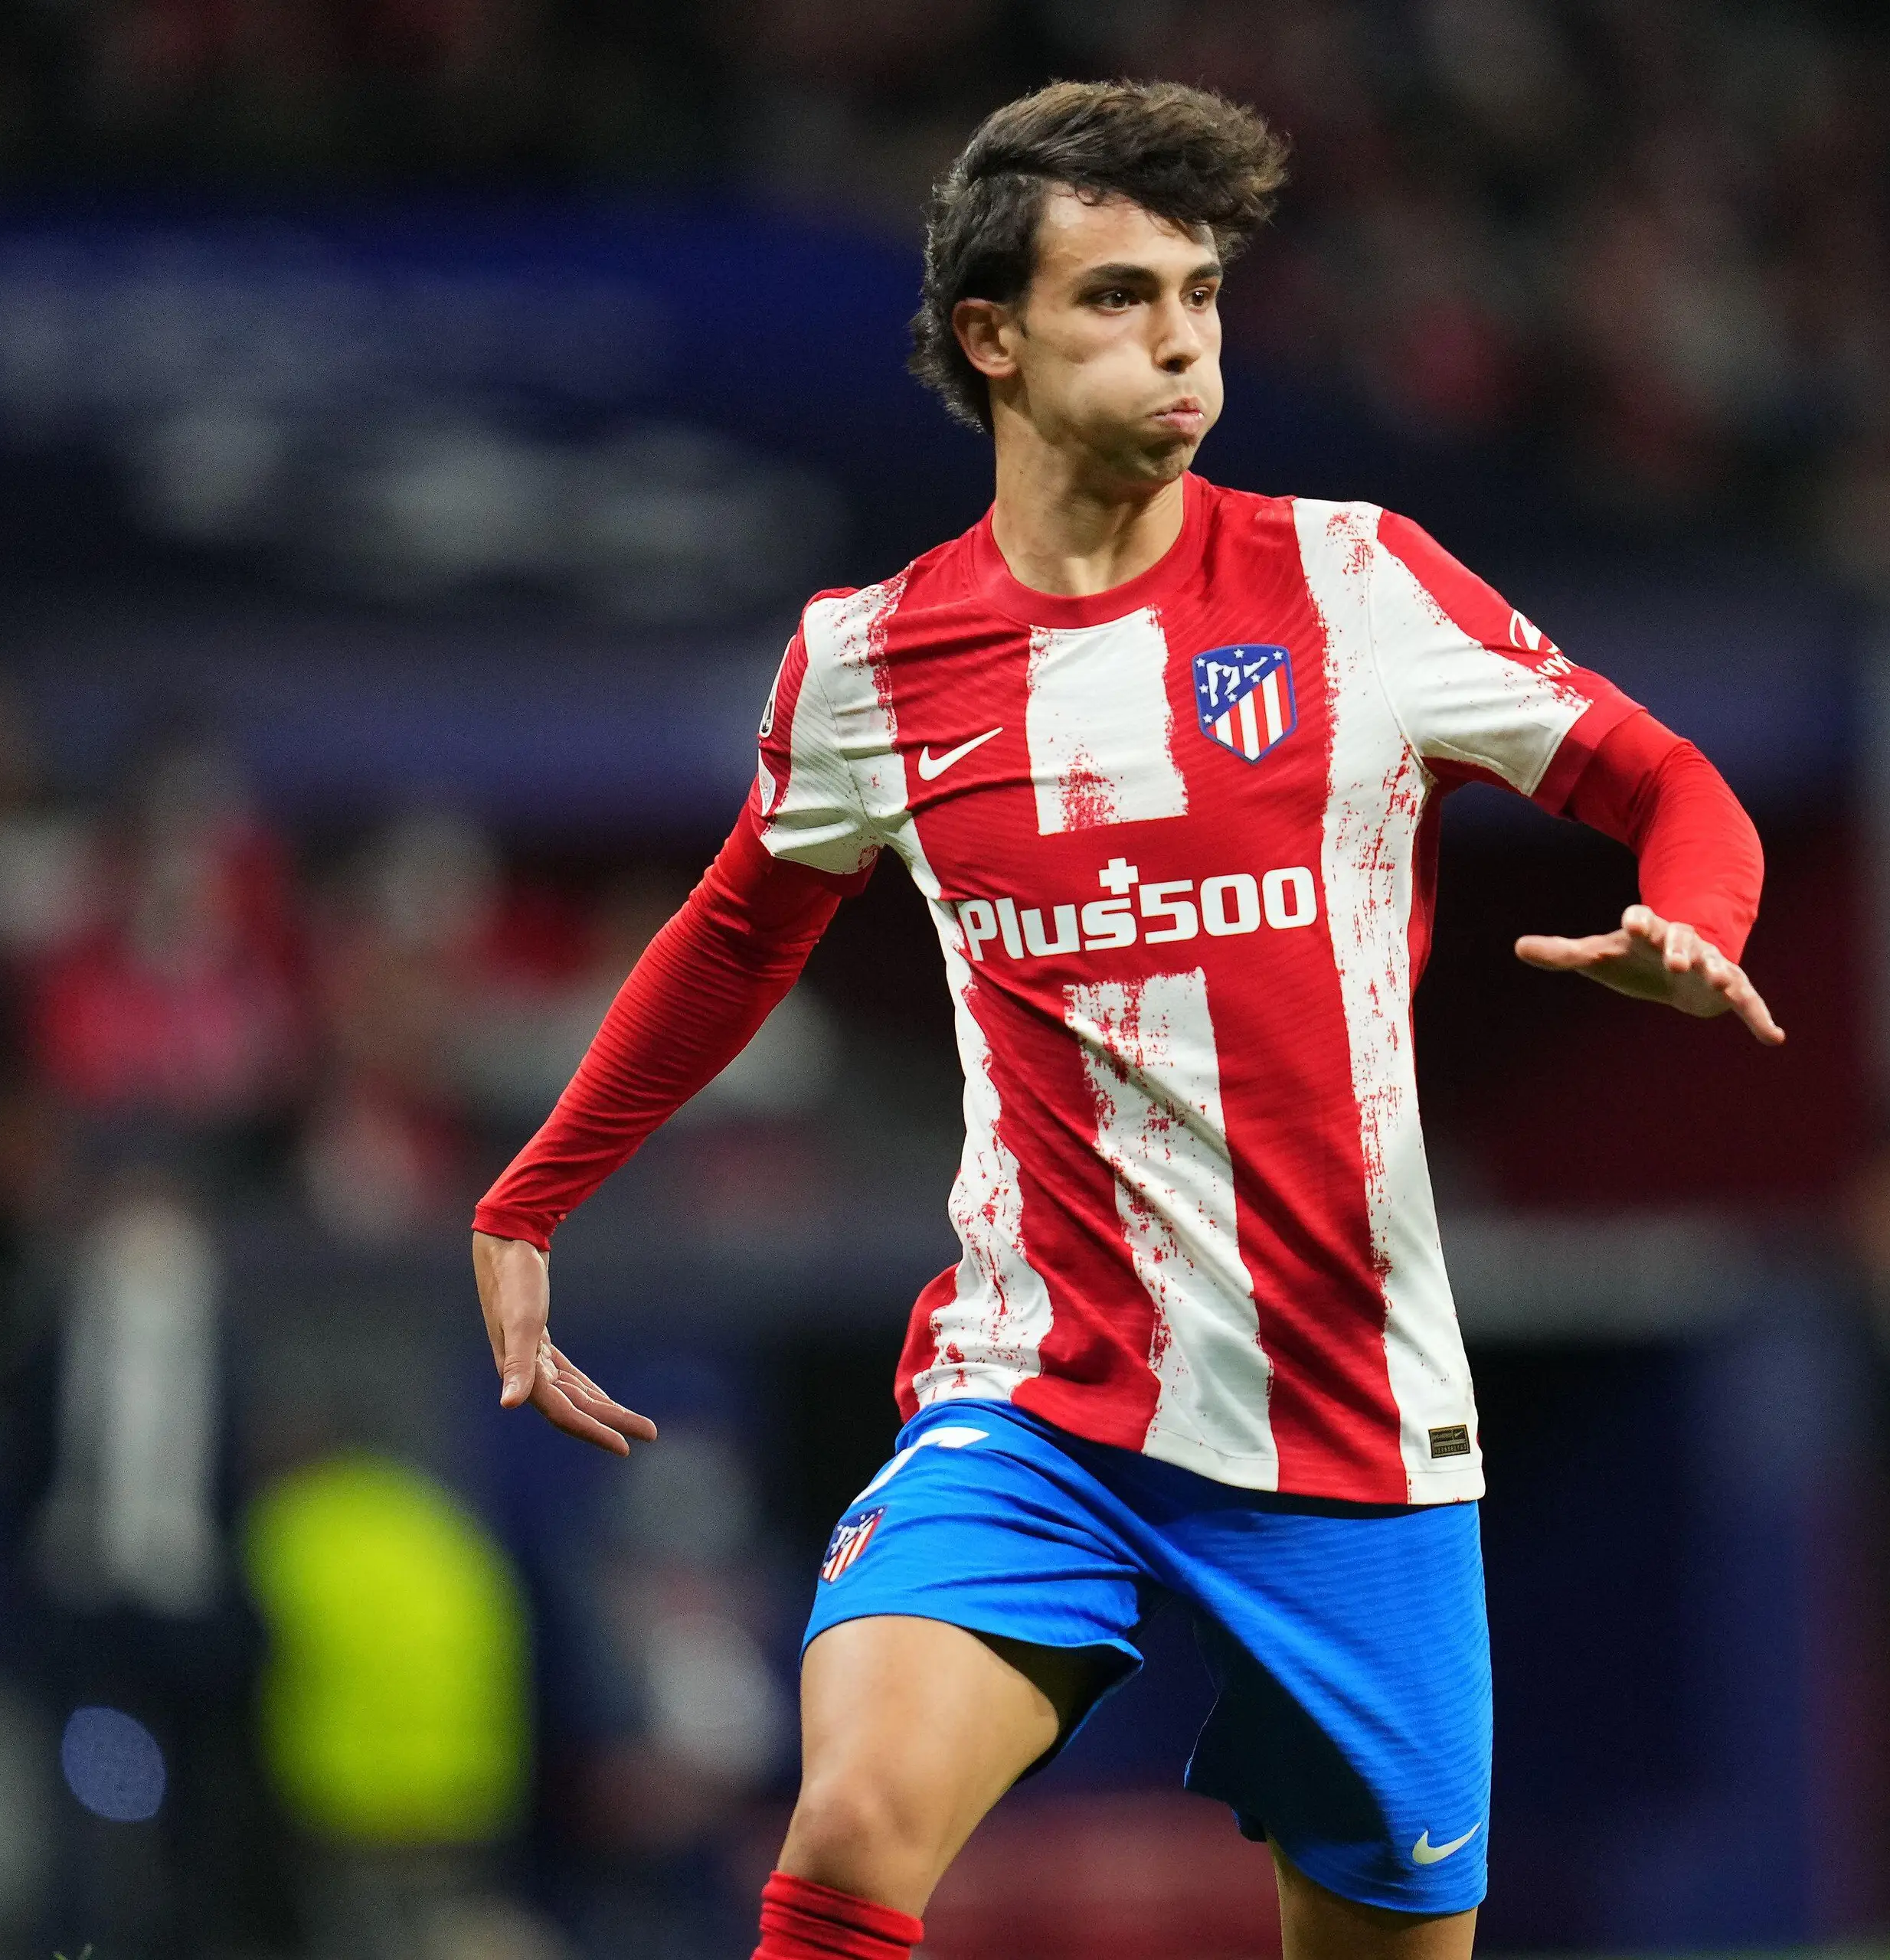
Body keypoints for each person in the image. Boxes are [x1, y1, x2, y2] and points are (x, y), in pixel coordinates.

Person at [467, 80, 1778, 1960]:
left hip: (1355, 1431)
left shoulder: (1358, 582)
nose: (1180, 337)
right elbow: (736, 927)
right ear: (991, 337)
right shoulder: (871, 660)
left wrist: (1696, 917)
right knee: (847, 1828)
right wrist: (531, 1194)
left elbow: (1668, 778)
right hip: (1041, 1396)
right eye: (1119, 297)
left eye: (1203, 295)